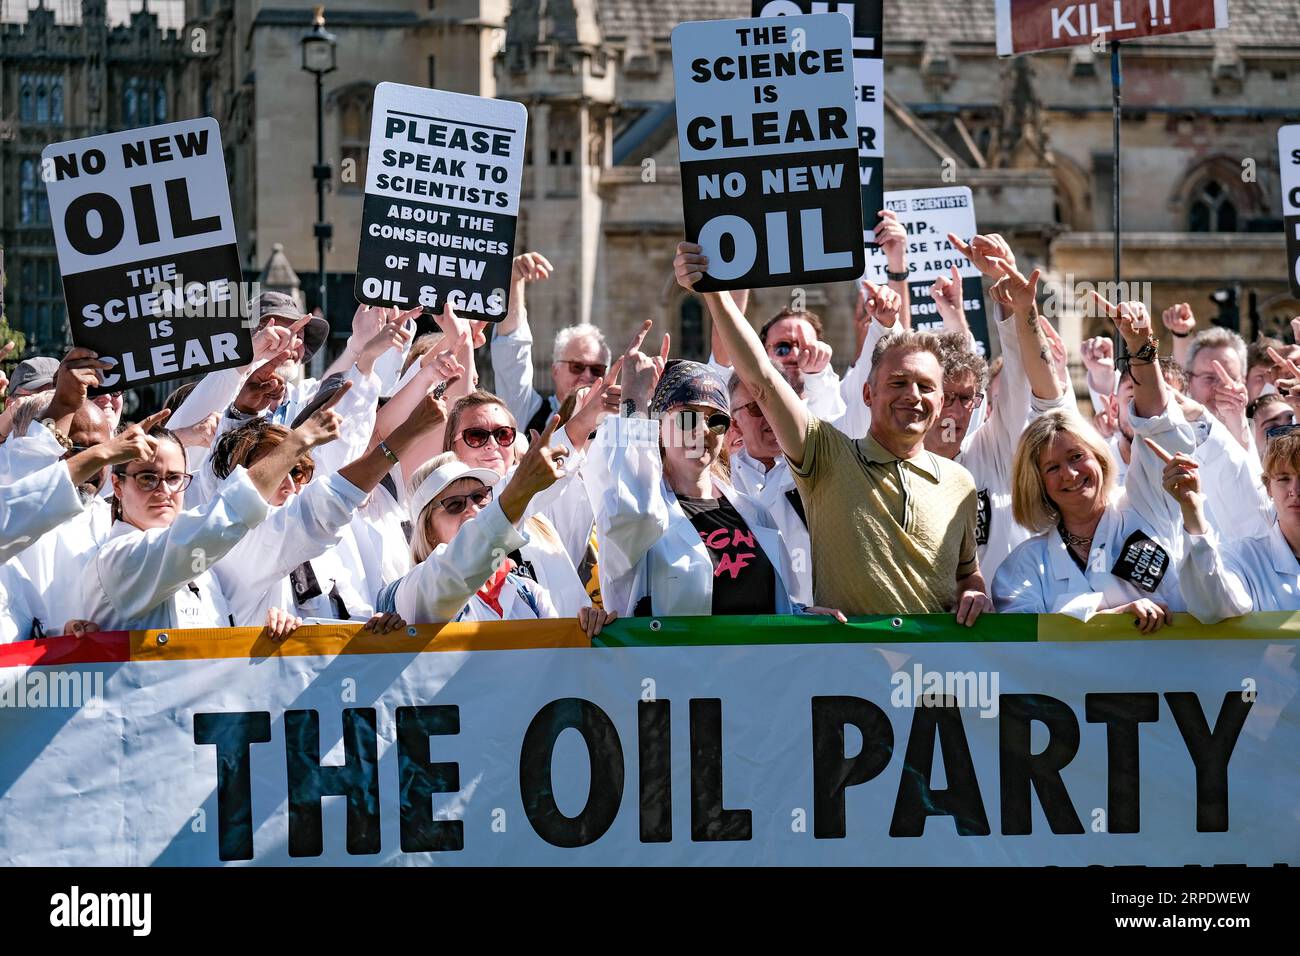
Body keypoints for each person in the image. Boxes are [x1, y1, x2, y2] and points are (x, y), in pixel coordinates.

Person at [674, 242, 991, 624]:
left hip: (931, 676)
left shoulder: (960, 483)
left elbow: (964, 573)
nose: (913, 396)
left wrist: (974, 589)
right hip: (846, 674)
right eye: (898, 382)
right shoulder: (827, 455)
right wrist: (717, 296)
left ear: (941, 402)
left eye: (925, 386)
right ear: (868, 393)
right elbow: (762, 380)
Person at [586, 337, 830, 618]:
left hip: (756, 662)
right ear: (658, 426)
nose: (702, 431)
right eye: (687, 418)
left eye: (716, 421)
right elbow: (635, 514)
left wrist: (805, 615)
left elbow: (776, 607)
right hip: (674, 662)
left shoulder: (755, 514)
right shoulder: (634, 509)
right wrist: (634, 400)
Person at [993, 296, 1194, 630]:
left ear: (1100, 458)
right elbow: (1021, 645)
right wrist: (1106, 613)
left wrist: (1141, 348)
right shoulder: (1024, 565)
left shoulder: (1145, 509)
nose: (1070, 474)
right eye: (1052, 468)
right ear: (1038, 483)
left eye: (1076, 457)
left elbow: (1158, 428)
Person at [81, 391, 347, 632]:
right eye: (147, 478)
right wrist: (299, 441)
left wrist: (269, 631)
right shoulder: (119, 557)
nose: (163, 490)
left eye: (174, 478)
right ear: (117, 485)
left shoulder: (206, 576)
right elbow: (208, 528)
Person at [205, 382, 449, 632]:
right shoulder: (237, 546)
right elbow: (322, 507)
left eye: (298, 472)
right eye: (274, 472)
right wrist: (408, 432)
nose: (289, 485)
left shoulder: (338, 543)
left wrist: (374, 627)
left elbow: (348, 615)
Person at [380, 421, 613, 636]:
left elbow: (556, 660)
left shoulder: (528, 591)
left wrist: (585, 629)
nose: (472, 508)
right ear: (427, 530)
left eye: (480, 497)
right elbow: (457, 569)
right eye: (454, 505)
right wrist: (520, 491)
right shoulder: (412, 591)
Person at [440, 389, 599, 615]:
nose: (491, 444)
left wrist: (591, 617)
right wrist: (583, 422)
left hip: (566, 646)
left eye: (503, 434)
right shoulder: (447, 513)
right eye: (476, 436)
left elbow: (571, 596)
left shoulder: (543, 515)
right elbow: (506, 495)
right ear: (451, 447)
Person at [1164, 431, 1300, 622]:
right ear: (1269, 487)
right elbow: (1213, 606)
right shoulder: (1243, 558)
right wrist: (1192, 511)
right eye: (1284, 478)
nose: (1295, 490)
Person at [491, 251, 614, 436]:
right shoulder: (530, 413)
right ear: (555, 370)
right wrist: (514, 280)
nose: (587, 376)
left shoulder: (616, 426)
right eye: (577, 366)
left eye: (597, 370)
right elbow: (511, 352)